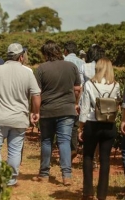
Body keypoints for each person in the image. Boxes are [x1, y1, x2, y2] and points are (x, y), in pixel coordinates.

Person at [0, 43, 41, 186]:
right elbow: (36, 94)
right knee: (14, 150)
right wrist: (35, 112)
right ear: (21, 57)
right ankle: (11, 179)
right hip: (19, 119)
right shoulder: (28, 72)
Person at [34, 40, 81, 186]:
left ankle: (44, 174)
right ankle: (66, 175)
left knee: (46, 141)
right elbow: (78, 88)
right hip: (67, 110)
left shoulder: (41, 69)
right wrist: (75, 103)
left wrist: (35, 111)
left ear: (46, 53)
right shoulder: (71, 66)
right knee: (64, 141)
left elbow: (37, 93)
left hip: (47, 110)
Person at [78, 58, 120, 200]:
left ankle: (88, 191)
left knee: (88, 156)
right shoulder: (116, 85)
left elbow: (84, 108)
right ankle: (102, 194)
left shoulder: (89, 84)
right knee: (105, 159)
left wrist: (81, 127)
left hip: (93, 123)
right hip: (109, 124)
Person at [63, 41, 86, 160]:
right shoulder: (82, 63)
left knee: (62, 123)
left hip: (64, 96)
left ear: (65, 51)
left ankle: (65, 149)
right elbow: (81, 84)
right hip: (78, 96)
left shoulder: (63, 61)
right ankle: (73, 148)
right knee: (74, 124)